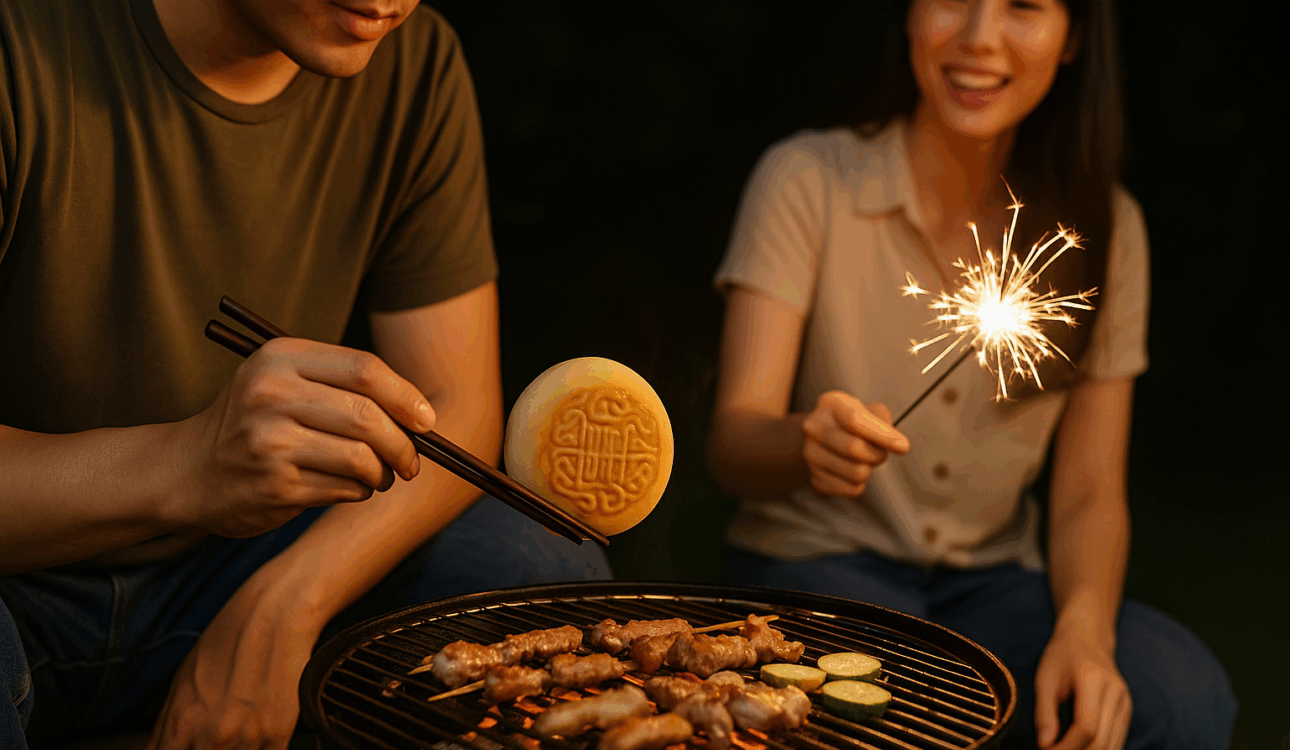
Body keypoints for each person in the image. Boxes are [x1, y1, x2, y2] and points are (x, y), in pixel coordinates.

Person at [0, 0, 609, 747]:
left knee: (535, 564)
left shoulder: (413, 64)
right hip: (23, 575)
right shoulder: (22, 41)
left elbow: (458, 405)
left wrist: (291, 599)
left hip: (235, 559)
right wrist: (189, 463)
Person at [706, 1, 1234, 749]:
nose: (981, 37)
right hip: (817, 568)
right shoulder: (808, 180)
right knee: (902, 713)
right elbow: (733, 443)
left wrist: (1085, 632)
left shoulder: (1106, 230)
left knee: (1178, 695)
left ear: (1074, 37)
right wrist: (803, 444)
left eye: (1023, 5)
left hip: (994, 588)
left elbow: (1088, 493)